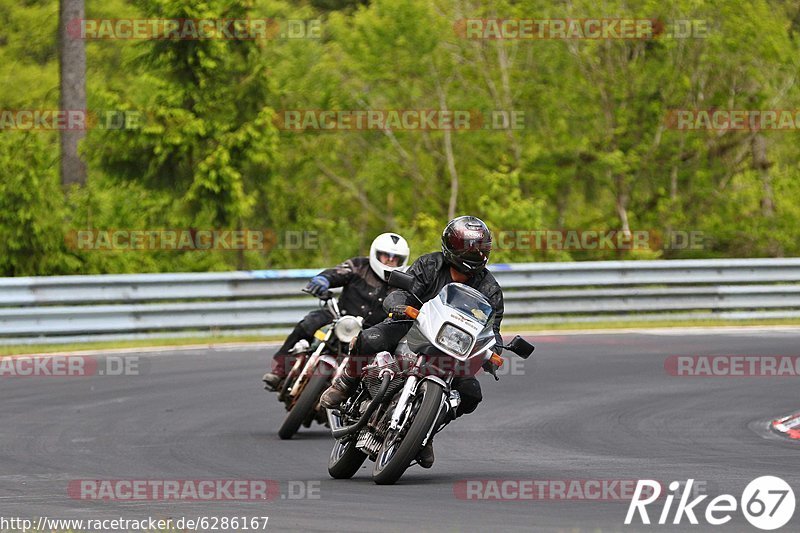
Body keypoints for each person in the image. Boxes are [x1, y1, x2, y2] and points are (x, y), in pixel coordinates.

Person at [320, 216, 504, 468]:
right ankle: (344, 383)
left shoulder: (489, 287)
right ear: (451, 245)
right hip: (411, 325)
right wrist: (398, 302)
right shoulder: (430, 264)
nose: (475, 253)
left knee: (471, 394)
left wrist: (493, 350)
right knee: (369, 338)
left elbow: (492, 328)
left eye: (480, 248)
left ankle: (425, 429)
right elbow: (402, 290)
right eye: (468, 247)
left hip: (452, 348)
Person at [261, 233, 410, 391]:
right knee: (310, 322)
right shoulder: (359, 266)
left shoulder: (402, 283)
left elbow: (410, 300)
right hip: (340, 317)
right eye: (386, 255)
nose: (390, 260)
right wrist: (323, 280)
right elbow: (337, 272)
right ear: (375, 253)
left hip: (370, 332)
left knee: (381, 365)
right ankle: (279, 370)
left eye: (396, 258)